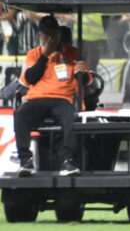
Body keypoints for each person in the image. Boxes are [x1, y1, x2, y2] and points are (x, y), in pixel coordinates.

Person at [15, 19, 92, 177]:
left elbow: (85, 81)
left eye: (54, 34)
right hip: (37, 98)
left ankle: (68, 160)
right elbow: (31, 78)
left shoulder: (73, 53)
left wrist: (82, 72)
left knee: (70, 117)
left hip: (62, 99)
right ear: (40, 36)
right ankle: (25, 160)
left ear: (59, 33)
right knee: (21, 114)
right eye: (47, 35)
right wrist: (45, 55)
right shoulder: (34, 54)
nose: (51, 38)